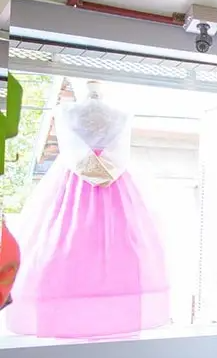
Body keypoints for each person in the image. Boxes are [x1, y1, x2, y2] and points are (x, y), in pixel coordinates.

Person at [5, 80, 169, 338]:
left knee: (81, 249)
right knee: (94, 250)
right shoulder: (106, 116)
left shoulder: (70, 112)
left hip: (76, 182)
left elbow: (81, 152)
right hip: (106, 186)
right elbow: (115, 155)